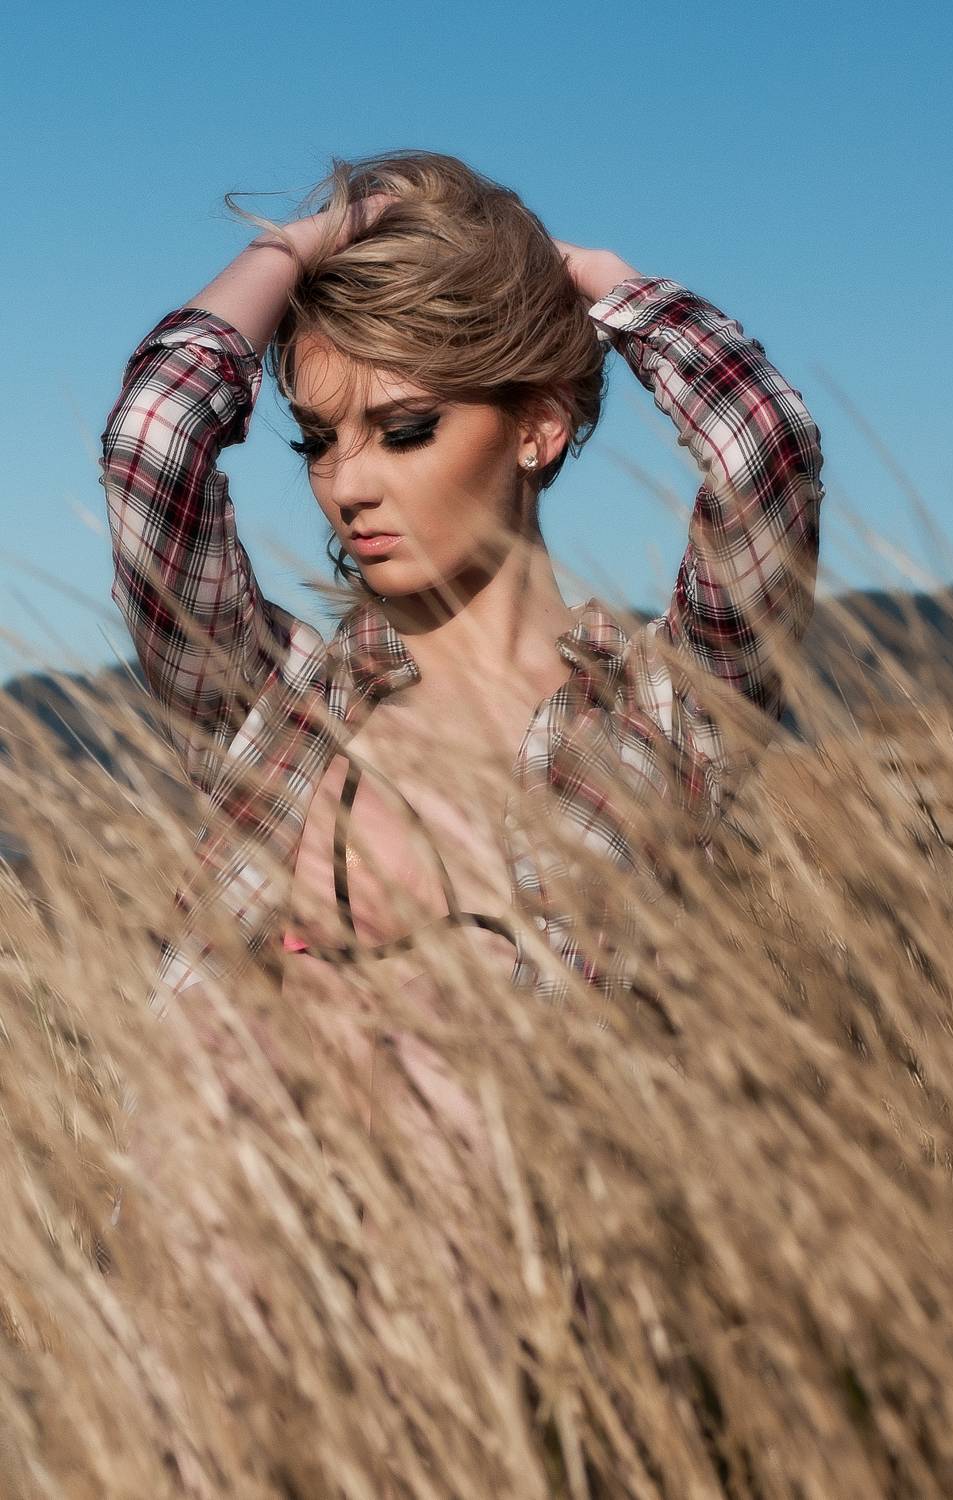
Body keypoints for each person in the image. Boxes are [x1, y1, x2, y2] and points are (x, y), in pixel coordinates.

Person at [99, 149, 824, 1213]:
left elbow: (761, 447)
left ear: (535, 426)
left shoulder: (665, 718)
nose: (347, 485)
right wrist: (290, 248)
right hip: (214, 1317)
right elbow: (150, 447)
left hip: (507, 1340)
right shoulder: (278, 703)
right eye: (316, 441)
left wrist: (590, 278)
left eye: (405, 431)